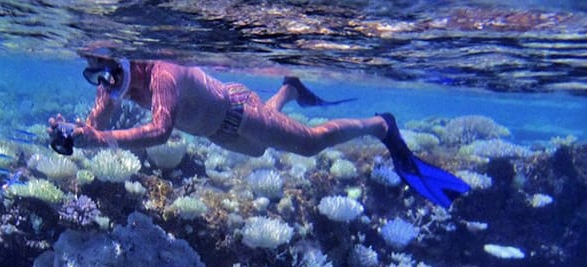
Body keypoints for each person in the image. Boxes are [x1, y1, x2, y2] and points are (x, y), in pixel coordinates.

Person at [49, 52, 469, 207]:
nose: (103, 85)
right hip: (219, 132)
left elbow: (161, 131)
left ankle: (381, 125)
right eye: (94, 78)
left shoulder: (163, 73)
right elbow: (94, 126)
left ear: (122, 58)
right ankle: (288, 88)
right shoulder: (113, 85)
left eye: (104, 73)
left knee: (308, 144)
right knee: (260, 154)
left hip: (240, 111)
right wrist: (76, 133)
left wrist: (100, 139)